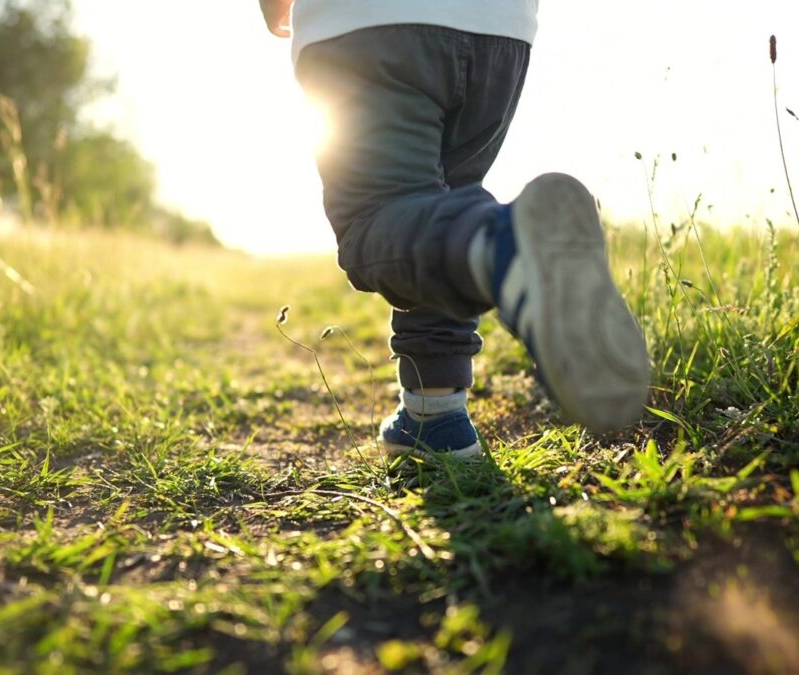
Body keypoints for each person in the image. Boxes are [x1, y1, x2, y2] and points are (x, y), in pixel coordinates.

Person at [259, 0, 651, 457]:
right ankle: (434, 413)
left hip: (368, 24)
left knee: (376, 216)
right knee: (442, 207)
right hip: (500, 33)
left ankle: (505, 247)